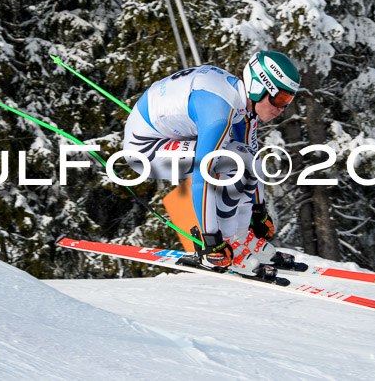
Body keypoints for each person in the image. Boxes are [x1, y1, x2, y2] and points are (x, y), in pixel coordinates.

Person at [122, 51, 300, 275]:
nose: (282, 108)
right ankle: (224, 246)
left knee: (244, 157)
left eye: (289, 101)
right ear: (258, 87)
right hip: (145, 150)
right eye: (281, 98)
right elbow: (202, 177)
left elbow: (252, 160)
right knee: (228, 162)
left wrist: (258, 211)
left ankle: (241, 238)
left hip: (167, 135)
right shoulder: (219, 109)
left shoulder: (243, 104)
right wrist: (211, 240)